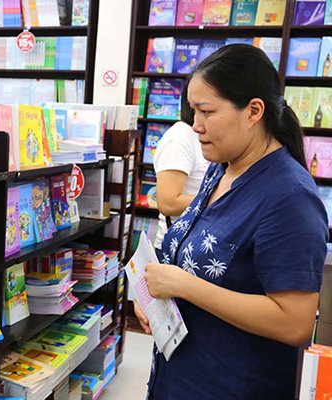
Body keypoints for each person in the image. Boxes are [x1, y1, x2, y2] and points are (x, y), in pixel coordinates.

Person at [134, 44, 328, 399]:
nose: (196, 126)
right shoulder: (221, 169)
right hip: (180, 378)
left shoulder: (289, 197)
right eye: (193, 111)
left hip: (232, 386)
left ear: (254, 111)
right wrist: (151, 297)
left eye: (207, 111)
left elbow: (295, 322)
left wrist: (184, 286)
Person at [152, 84, 209, 257]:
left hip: (199, 246)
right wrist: (221, 201)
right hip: (176, 247)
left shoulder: (209, 135)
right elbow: (168, 202)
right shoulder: (181, 137)